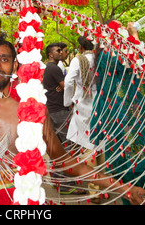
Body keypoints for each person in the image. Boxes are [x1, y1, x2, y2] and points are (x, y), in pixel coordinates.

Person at [0, 36, 145, 205]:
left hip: (23, 201)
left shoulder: (32, 109)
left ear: (15, 65)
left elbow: (65, 162)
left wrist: (126, 189)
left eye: (4, 60)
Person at [90, 21, 145, 205]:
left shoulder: (110, 54)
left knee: (137, 176)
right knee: (136, 177)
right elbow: (139, 61)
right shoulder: (111, 54)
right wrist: (134, 36)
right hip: (128, 124)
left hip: (132, 121)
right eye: (119, 28)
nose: (123, 30)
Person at [63, 35, 105, 202]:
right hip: (102, 105)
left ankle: (94, 192)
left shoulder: (78, 60)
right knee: (100, 145)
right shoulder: (101, 59)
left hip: (83, 107)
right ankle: (101, 187)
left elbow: (68, 83)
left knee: (88, 147)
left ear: (80, 47)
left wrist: (67, 102)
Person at [42, 43, 71, 147]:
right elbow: (66, 87)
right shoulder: (53, 68)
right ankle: (67, 163)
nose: (61, 53)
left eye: (61, 50)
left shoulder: (50, 67)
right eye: (58, 51)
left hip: (53, 109)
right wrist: (64, 87)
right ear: (50, 55)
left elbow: (63, 86)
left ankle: (58, 163)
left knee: (58, 143)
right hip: (58, 110)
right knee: (66, 142)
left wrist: (63, 87)